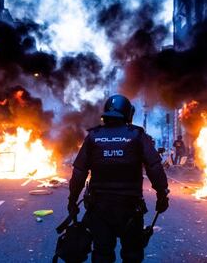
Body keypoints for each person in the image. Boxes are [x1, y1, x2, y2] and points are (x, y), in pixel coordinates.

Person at [67, 94, 170, 263]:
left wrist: (72, 201)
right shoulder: (137, 136)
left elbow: (79, 172)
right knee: (132, 254)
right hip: (130, 208)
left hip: (99, 209)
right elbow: (154, 167)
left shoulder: (93, 137)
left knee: (102, 253)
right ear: (128, 113)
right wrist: (162, 195)